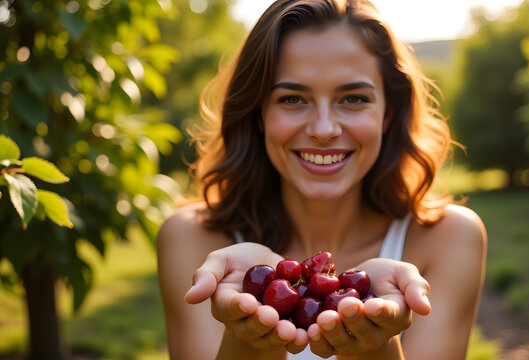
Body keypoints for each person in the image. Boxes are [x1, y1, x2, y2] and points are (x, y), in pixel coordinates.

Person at [157, 0, 487, 359]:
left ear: (388, 113)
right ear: (258, 113)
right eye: (294, 98)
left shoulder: (450, 239)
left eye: (353, 98)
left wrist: (373, 342)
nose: (324, 130)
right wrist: (249, 334)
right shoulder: (191, 241)